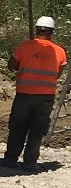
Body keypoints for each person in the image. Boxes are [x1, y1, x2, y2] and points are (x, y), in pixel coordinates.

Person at [4, 15, 67, 170]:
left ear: (37, 30)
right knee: (37, 129)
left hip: (24, 94)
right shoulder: (59, 51)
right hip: (45, 97)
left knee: (18, 126)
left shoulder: (25, 46)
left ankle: (10, 159)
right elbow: (58, 74)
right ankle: (30, 162)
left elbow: (11, 65)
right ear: (51, 32)